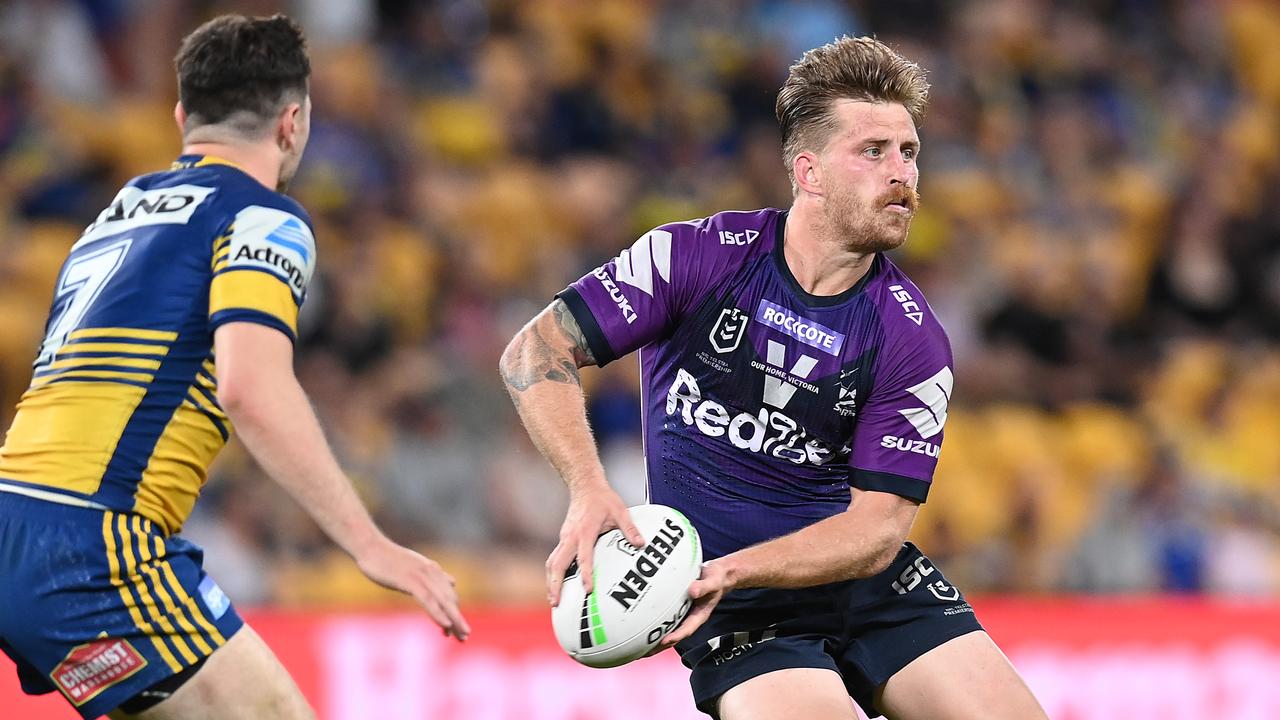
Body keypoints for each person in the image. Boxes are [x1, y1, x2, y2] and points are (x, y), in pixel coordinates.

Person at [500, 36, 1047, 720]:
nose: (902, 173)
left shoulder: (913, 337)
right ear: (810, 173)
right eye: (873, 151)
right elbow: (535, 351)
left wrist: (734, 567)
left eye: (909, 151)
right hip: (736, 611)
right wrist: (586, 488)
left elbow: (877, 531)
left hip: (855, 583)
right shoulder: (693, 258)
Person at [0, 14, 468, 720]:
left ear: (184, 115)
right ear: (292, 122)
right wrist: (369, 545)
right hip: (93, 545)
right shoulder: (262, 218)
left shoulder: (116, 215)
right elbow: (250, 386)